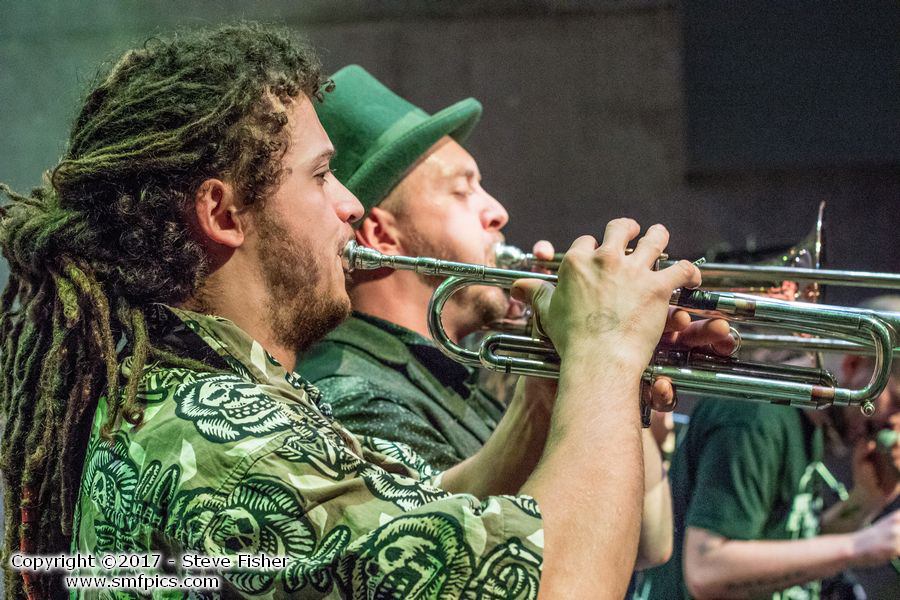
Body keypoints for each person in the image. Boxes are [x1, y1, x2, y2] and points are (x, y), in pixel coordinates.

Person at [0, 24, 702, 598]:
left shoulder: (205, 398)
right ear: (223, 212)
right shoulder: (223, 444)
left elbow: (414, 525)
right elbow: (556, 588)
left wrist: (553, 386)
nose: (350, 203)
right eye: (321, 174)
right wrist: (606, 349)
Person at [298, 65, 735, 569]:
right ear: (380, 235)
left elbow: (648, 543)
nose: (498, 211)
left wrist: (618, 365)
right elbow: (505, 568)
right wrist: (600, 351)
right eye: (462, 191)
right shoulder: (357, 397)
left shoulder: (455, 377)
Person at [642, 296, 900, 599]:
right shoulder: (756, 417)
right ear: (852, 364)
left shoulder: (809, 423)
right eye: (896, 403)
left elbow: (790, 547)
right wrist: (859, 546)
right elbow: (706, 570)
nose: (896, 423)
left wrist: (866, 501)